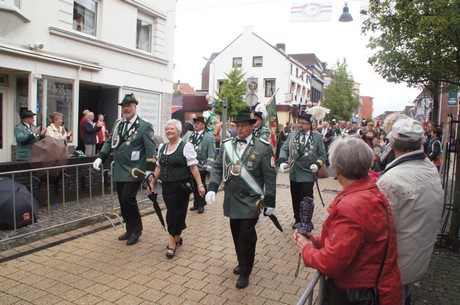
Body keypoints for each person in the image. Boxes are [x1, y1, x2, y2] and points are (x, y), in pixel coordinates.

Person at [294, 137, 402, 305]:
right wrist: (318, 241)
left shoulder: (352, 206)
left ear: (337, 170)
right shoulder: (371, 191)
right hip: (376, 285)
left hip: (358, 294)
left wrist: (306, 249)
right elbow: (352, 242)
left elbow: (330, 263)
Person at [205, 109, 276, 289]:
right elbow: (216, 168)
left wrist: (270, 201)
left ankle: (246, 270)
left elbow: (270, 177)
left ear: (252, 126)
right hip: (232, 199)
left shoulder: (263, 147)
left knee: (247, 235)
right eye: (238, 125)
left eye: (244, 125)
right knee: (236, 233)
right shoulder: (228, 145)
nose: (240, 129)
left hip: (252, 201)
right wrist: (212, 187)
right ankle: (241, 261)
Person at [377, 118, 443, 305]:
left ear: (393, 142)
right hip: (416, 258)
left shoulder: (391, 180)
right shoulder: (429, 168)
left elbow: (380, 230)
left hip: (395, 266)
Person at [92, 93, 157, 246]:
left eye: (129, 106)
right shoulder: (118, 123)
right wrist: (100, 157)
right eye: (124, 106)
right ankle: (129, 228)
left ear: (135, 107)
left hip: (135, 170)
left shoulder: (144, 125)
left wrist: (149, 171)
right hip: (120, 169)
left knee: (128, 198)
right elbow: (109, 141)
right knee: (122, 200)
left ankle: (137, 230)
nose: (126, 108)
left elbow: (150, 149)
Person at [149, 119, 206, 258]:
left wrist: (200, 184)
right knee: (175, 212)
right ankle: (178, 236)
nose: (169, 131)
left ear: (179, 131)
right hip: (167, 186)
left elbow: (193, 167)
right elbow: (159, 166)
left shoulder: (186, 146)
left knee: (173, 213)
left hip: (181, 186)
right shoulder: (162, 147)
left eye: (172, 129)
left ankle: (172, 243)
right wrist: (152, 182)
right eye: (167, 129)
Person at [278, 113, 327, 229]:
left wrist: (317, 164)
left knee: (306, 198)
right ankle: (297, 219)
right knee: (295, 197)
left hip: (308, 173)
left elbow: (323, 155)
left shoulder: (317, 138)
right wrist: (282, 161)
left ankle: (306, 221)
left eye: (304, 123)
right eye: (300, 122)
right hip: (295, 172)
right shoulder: (292, 135)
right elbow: (284, 149)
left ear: (310, 125)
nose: (301, 125)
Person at [183, 115, 216, 214]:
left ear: (203, 125)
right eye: (195, 123)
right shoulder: (189, 135)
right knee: (193, 185)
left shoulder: (209, 137)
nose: (196, 125)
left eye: (198, 123)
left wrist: (209, 165)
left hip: (201, 166)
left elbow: (211, 153)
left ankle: (201, 204)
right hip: (189, 164)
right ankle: (196, 204)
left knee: (200, 185)